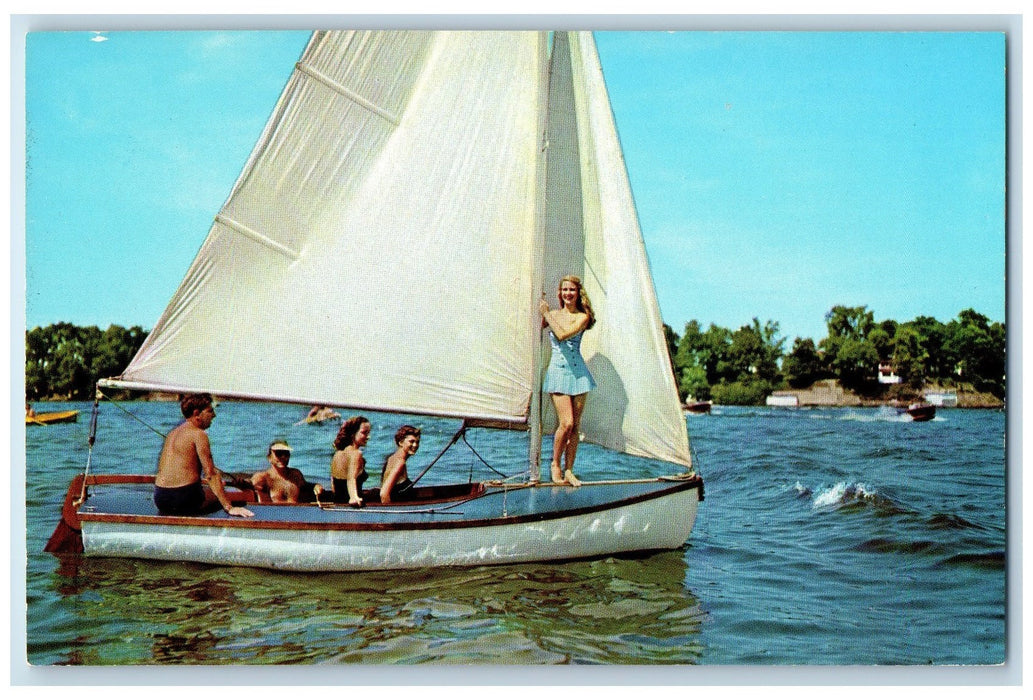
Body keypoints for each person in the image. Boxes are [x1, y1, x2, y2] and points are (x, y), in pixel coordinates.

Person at [154, 393, 254, 517]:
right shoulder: (199, 434)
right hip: (183, 499)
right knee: (240, 496)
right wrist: (229, 507)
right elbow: (210, 474)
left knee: (216, 489)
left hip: (160, 498)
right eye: (210, 411)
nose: (214, 415)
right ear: (197, 414)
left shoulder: (172, 433)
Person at [539, 275, 597, 487]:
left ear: (577, 292)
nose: (568, 294)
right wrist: (544, 311)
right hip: (558, 372)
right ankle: (555, 464)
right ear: (560, 293)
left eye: (572, 290)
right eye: (564, 290)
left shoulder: (582, 317)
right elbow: (540, 326)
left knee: (575, 427)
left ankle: (569, 469)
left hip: (578, 374)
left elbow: (563, 334)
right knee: (567, 423)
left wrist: (546, 313)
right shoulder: (553, 315)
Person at [250, 439, 325, 503]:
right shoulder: (263, 477)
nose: (283, 457)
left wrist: (315, 486)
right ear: (269, 458)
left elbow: (306, 486)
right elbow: (247, 485)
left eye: (286, 454)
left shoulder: (296, 474)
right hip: (276, 516)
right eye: (279, 454)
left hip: (296, 515)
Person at [331, 416, 371, 506]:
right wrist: (353, 497)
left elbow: (333, 485)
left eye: (368, 433)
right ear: (353, 434)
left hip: (338, 504)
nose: (368, 437)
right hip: (352, 506)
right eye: (364, 433)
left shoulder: (337, 453)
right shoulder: (356, 453)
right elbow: (351, 478)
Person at [380, 425, 420, 504]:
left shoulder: (392, 458)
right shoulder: (400, 463)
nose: (415, 445)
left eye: (417, 442)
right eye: (411, 441)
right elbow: (384, 494)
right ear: (401, 442)